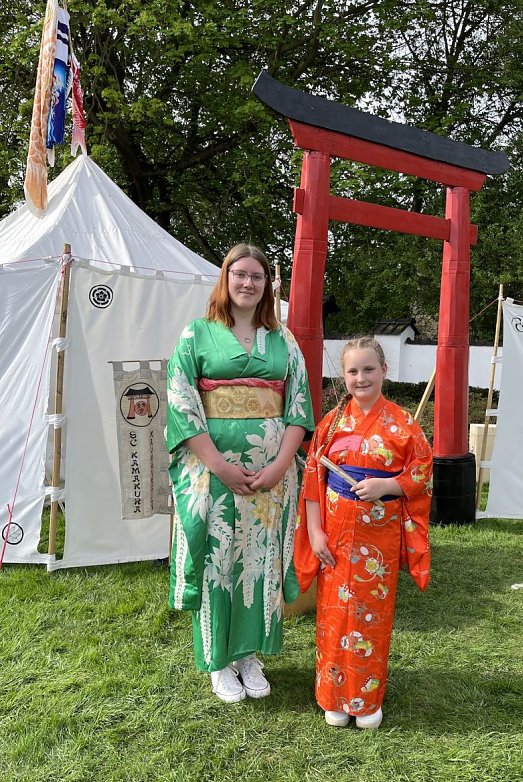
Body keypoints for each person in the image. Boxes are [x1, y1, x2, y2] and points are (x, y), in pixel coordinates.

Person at [166, 243, 315, 703]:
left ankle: (250, 654)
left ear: (267, 285)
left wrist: (280, 465)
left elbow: (299, 407)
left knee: (261, 560)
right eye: (240, 274)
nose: (248, 283)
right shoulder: (196, 335)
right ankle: (218, 660)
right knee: (218, 559)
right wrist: (219, 466)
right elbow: (182, 403)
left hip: (270, 481)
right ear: (225, 279)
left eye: (257, 276)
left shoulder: (283, 340)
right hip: (214, 475)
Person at [294, 337, 432, 729]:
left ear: (384, 371)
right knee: (334, 616)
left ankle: (366, 699)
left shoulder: (402, 424)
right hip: (334, 536)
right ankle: (333, 695)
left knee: (372, 616)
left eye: (369, 369)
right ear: (345, 375)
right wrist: (316, 533)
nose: (361, 378)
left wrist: (386, 487)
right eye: (352, 371)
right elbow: (312, 480)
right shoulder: (332, 423)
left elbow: (422, 470)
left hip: (379, 538)